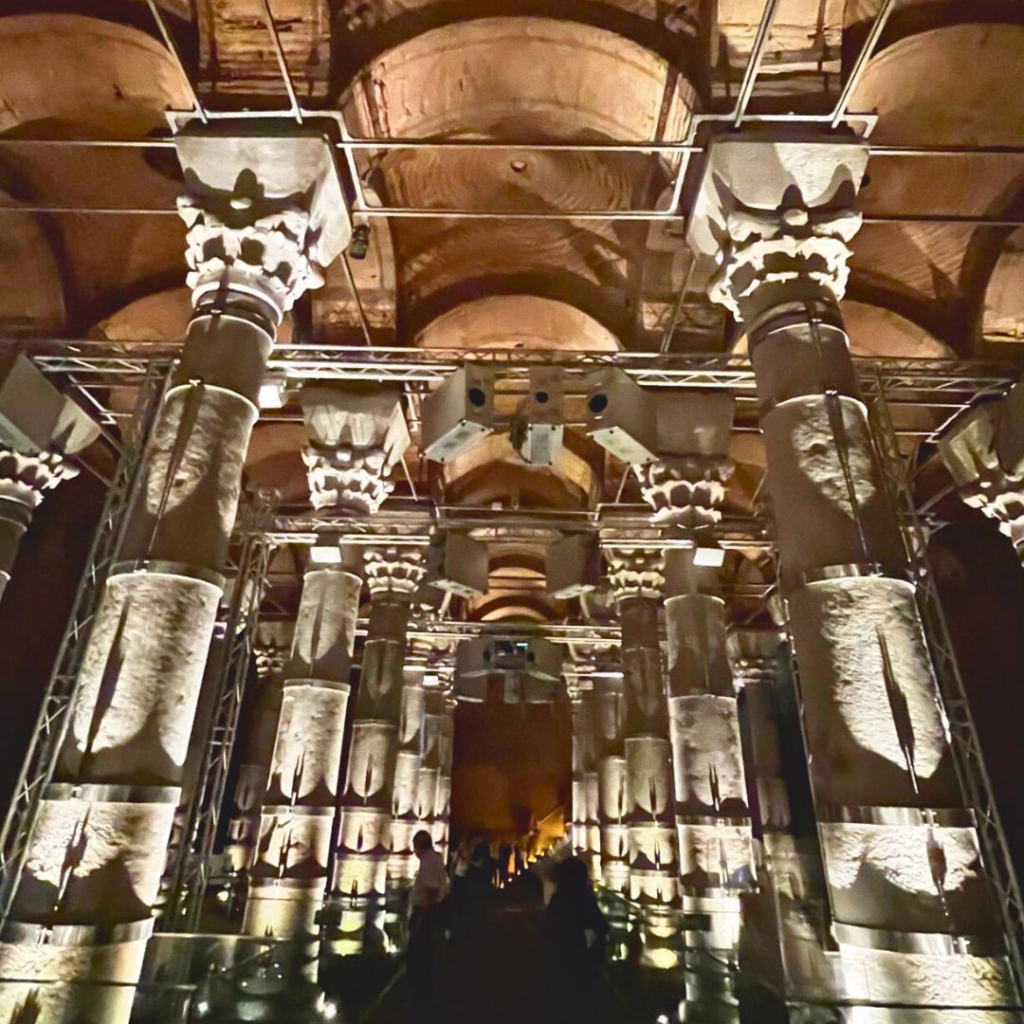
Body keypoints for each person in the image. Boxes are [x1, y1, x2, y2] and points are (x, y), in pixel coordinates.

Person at [543, 856, 609, 1020]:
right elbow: (602, 927)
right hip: (585, 962)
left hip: (563, 962)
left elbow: (548, 931)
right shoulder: (586, 898)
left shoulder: (558, 899)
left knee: (566, 1005)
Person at [406, 830, 449, 1022]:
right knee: (422, 956)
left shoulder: (429, 861)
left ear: (419, 846)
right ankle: (421, 997)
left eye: (415, 846)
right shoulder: (434, 859)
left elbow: (431, 892)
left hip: (424, 912)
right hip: (425, 911)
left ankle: (420, 1003)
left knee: (419, 956)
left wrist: (421, 918)